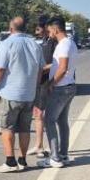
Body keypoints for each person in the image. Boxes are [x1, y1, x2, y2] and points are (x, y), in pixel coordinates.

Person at [0, 16, 43, 173]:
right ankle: (22, 160)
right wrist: (34, 87)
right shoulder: (35, 45)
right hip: (29, 95)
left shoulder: (7, 44)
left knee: (7, 127)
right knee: (25, 128)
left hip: (10, 94)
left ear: (11, 29)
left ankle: (10, 162)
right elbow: (39, 70)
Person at [37, 16, 78, 168]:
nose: (48, 34)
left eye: (49, 31)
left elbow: (62, 68)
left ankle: (55, 157)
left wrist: (50, 83)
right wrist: (45, 68)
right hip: (69, 86)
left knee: (49, 120)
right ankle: (63, 154)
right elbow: (58, 65)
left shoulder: (63, 45)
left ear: (55, 29)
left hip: (61, 88)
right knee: (62, 121)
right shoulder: (70, 43)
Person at [28, 15, 57, 157]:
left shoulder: (54, 42)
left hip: (47, 82)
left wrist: (42, 68)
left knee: (43, 115)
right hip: (40, 81)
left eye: (39, 27)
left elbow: (59, 64)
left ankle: (52, 149)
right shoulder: (44, 41)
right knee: (37, 114)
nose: (37, 30)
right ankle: (38, 145)